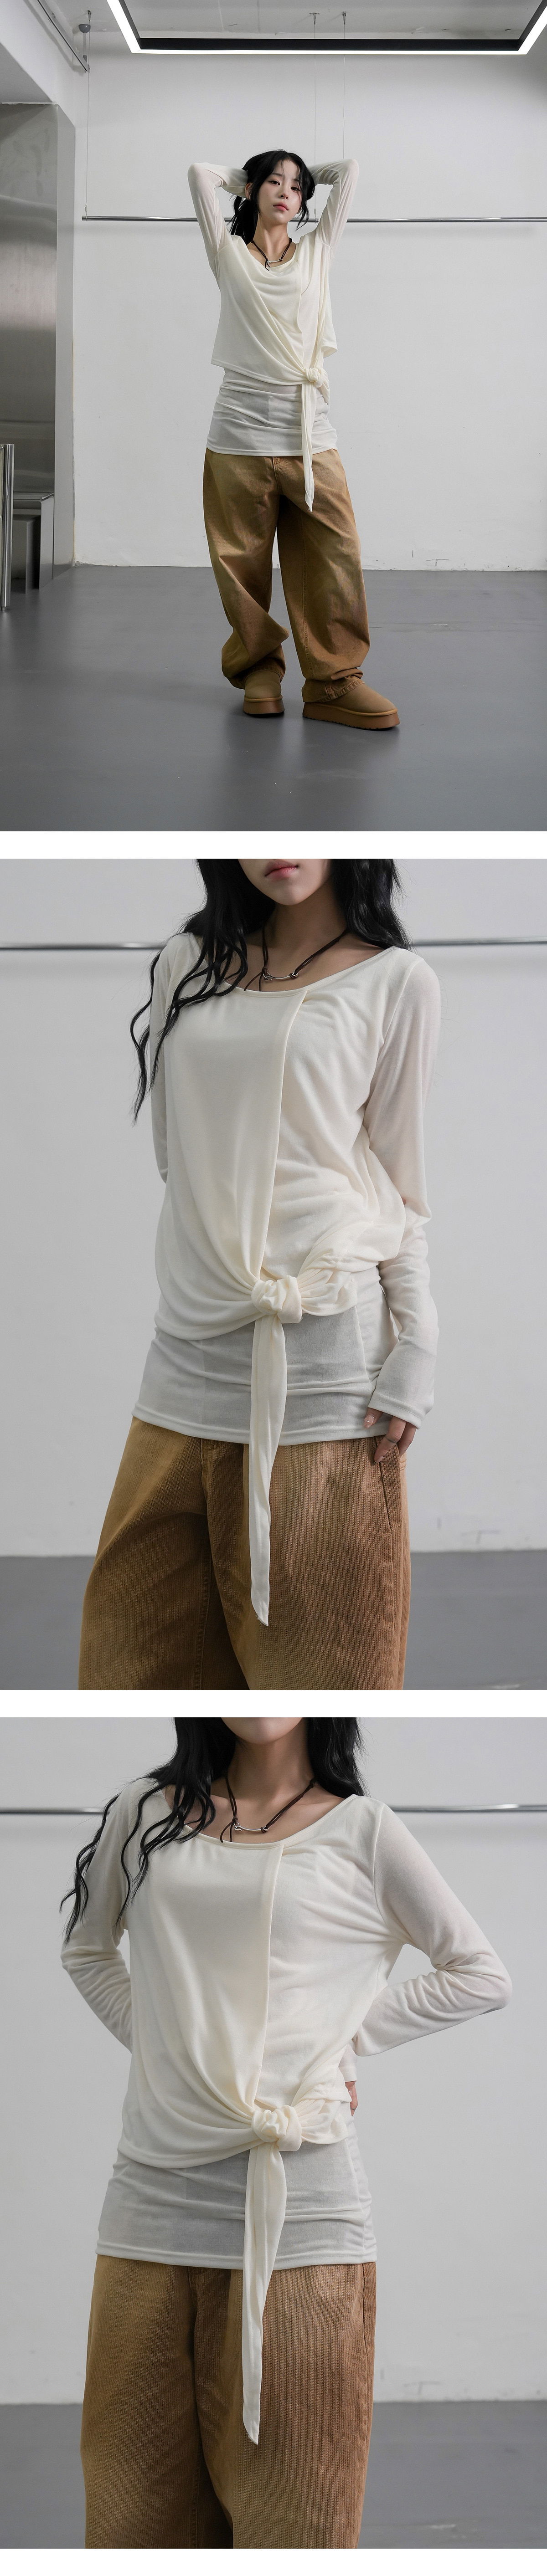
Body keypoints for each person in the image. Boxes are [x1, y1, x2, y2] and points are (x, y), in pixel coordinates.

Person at [61, 1714, 512, 2550]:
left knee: (296, 2524)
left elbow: (479, 1973)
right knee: (132, 2521)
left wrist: (341, 2041)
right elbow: (88, 1952)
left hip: (305, 2221)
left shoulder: (364, 1829)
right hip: (149, 2214)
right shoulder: (144, 1812)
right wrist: (168, 2051)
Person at [78, 858, 441, 1691]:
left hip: (327, 1374)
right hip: (186, 1361)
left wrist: (418, 1341)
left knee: (325, 1673)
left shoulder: (397, 982)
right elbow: (177, 1158)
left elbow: (399, 1180)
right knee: (125, 1672)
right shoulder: (187, 963)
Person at [188, 150, 399, 728]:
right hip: (237, 436)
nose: (287, 193)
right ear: (251, 191)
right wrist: (247, 178)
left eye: (297, 187)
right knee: (242, 563)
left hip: (310, 435)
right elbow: (199, 174)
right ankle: (259, 668)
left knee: (335, 554)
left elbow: (350, 171)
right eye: (274, 183)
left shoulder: (317, 252)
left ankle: (333, 682)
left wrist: (303, 174)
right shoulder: (227, 252)